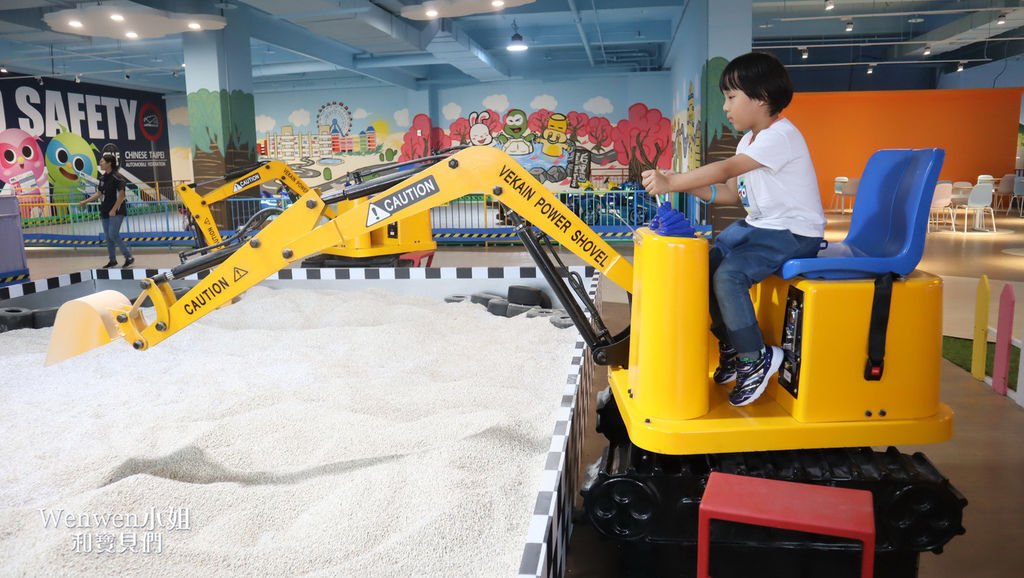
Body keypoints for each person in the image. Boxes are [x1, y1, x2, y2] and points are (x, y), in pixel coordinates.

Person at [641, 52, 825, 407]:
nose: (726, 107)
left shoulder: (780, 136)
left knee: (729, 277)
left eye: (731, 97)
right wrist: (674, 185)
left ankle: (755, 357)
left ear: (762, 98)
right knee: (706, 266)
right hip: (759, 226)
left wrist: (673, 180)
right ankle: (731, 344)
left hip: (794, 233)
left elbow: (725, 171)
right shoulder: (749, 141)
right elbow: (726, 193)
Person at [79, 153, 134, 268]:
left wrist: (114, 209)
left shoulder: (117, 177)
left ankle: (128, 256)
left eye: (102, 161)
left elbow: (122, 195)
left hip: (117, 211)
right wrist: (86, 201)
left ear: (109, 163)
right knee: (108, 237)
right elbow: (99, 193)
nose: (100, 163)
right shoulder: (102, 178)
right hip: (105, 210)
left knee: (113, 234)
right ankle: (112, 260)